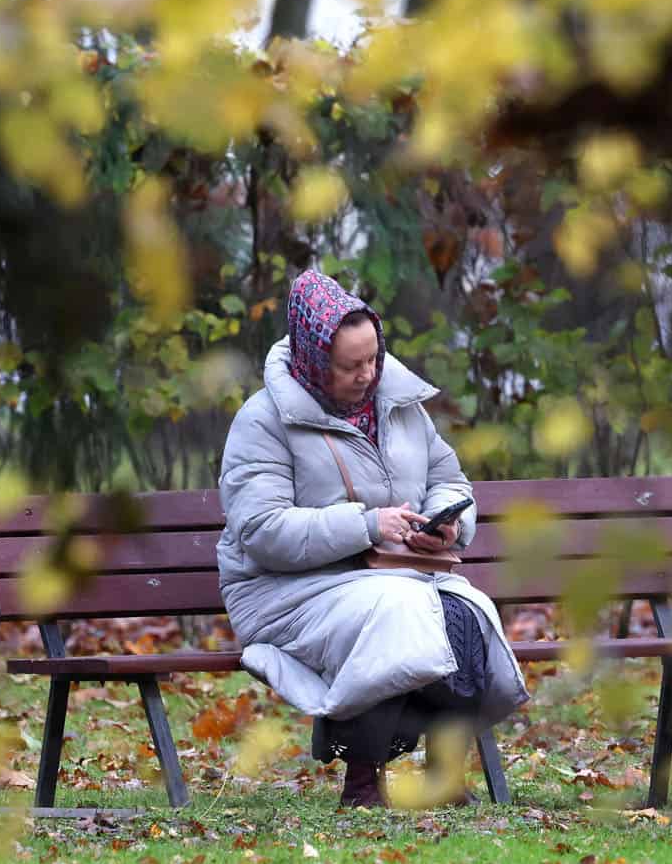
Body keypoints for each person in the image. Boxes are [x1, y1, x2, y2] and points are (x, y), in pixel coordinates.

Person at [216, 271, 529, 808]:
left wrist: (446, 522)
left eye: (374, 359)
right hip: (286, 592)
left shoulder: (399, 404)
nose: (368, 375)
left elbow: (448, 479)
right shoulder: (263, 420)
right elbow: (262, 532)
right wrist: (365, 525)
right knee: (394, 613)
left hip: (395, 575)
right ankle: (364, 784)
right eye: (351, 365)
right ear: (316, 360)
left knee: (468, 612)